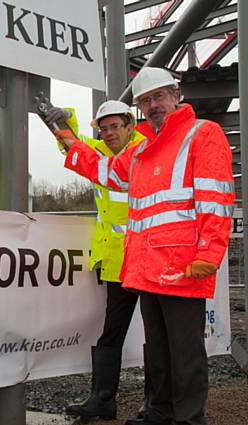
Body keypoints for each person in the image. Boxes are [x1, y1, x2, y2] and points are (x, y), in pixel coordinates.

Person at [55, 67, 234, 425]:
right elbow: (107, 172)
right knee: (159, 350)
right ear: (139, 106)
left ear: (176, 94)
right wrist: (73, 145)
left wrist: (209, 255)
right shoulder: (141, 151)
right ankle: (161, 411)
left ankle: (188, 418)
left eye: (159, 97)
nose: (153, 105)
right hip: (147, 267)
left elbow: (216, 200)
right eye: (145, 100)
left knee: (184, 353)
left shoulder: (202, 134)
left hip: (184, 267)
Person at [45, 101, 148, 421]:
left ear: (130, 126)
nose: (109, 133)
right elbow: (71, 141)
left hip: (148, 258)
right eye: (103, 128)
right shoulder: (99, 151)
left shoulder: (147, 150)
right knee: (111, 333)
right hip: (118, 261)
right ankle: (102, 400)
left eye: (115, 126)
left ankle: (156, 404)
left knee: (157, 336)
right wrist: (64, 118)